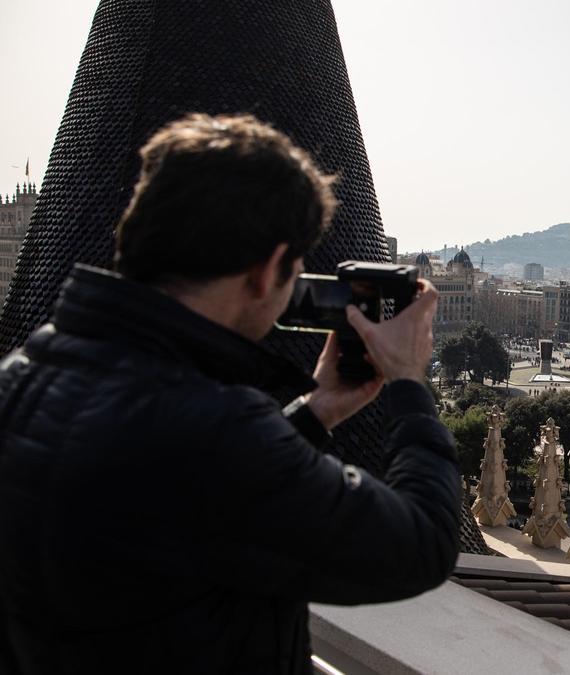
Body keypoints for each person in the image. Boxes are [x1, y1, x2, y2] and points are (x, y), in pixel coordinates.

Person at [0, 114, 461, 672]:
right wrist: (410, 385)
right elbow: (420, 545)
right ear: (268, 271)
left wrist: (315, 412)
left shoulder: (22, 375)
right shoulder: (214, 431)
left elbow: (187, 499)